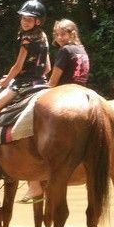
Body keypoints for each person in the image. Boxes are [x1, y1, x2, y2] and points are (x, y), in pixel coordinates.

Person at [19, 18, 90, 203]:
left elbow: (53, 80)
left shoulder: (65, 51)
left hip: (62, 93)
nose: (59, 37)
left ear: (72, 34)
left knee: (26, 124)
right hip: (81, 92)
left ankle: (34, 184)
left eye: (63, 34)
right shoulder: (82, 50)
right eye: (57, 34)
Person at [0, 0, 50, 165]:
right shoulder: (43, 36)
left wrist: (6, 81)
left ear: (38, 21)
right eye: (23, 18)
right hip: (41, 82)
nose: (25, 22)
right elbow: (47, 67)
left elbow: (17, 66)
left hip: (23, 84)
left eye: (29, 19)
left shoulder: (27, 39)